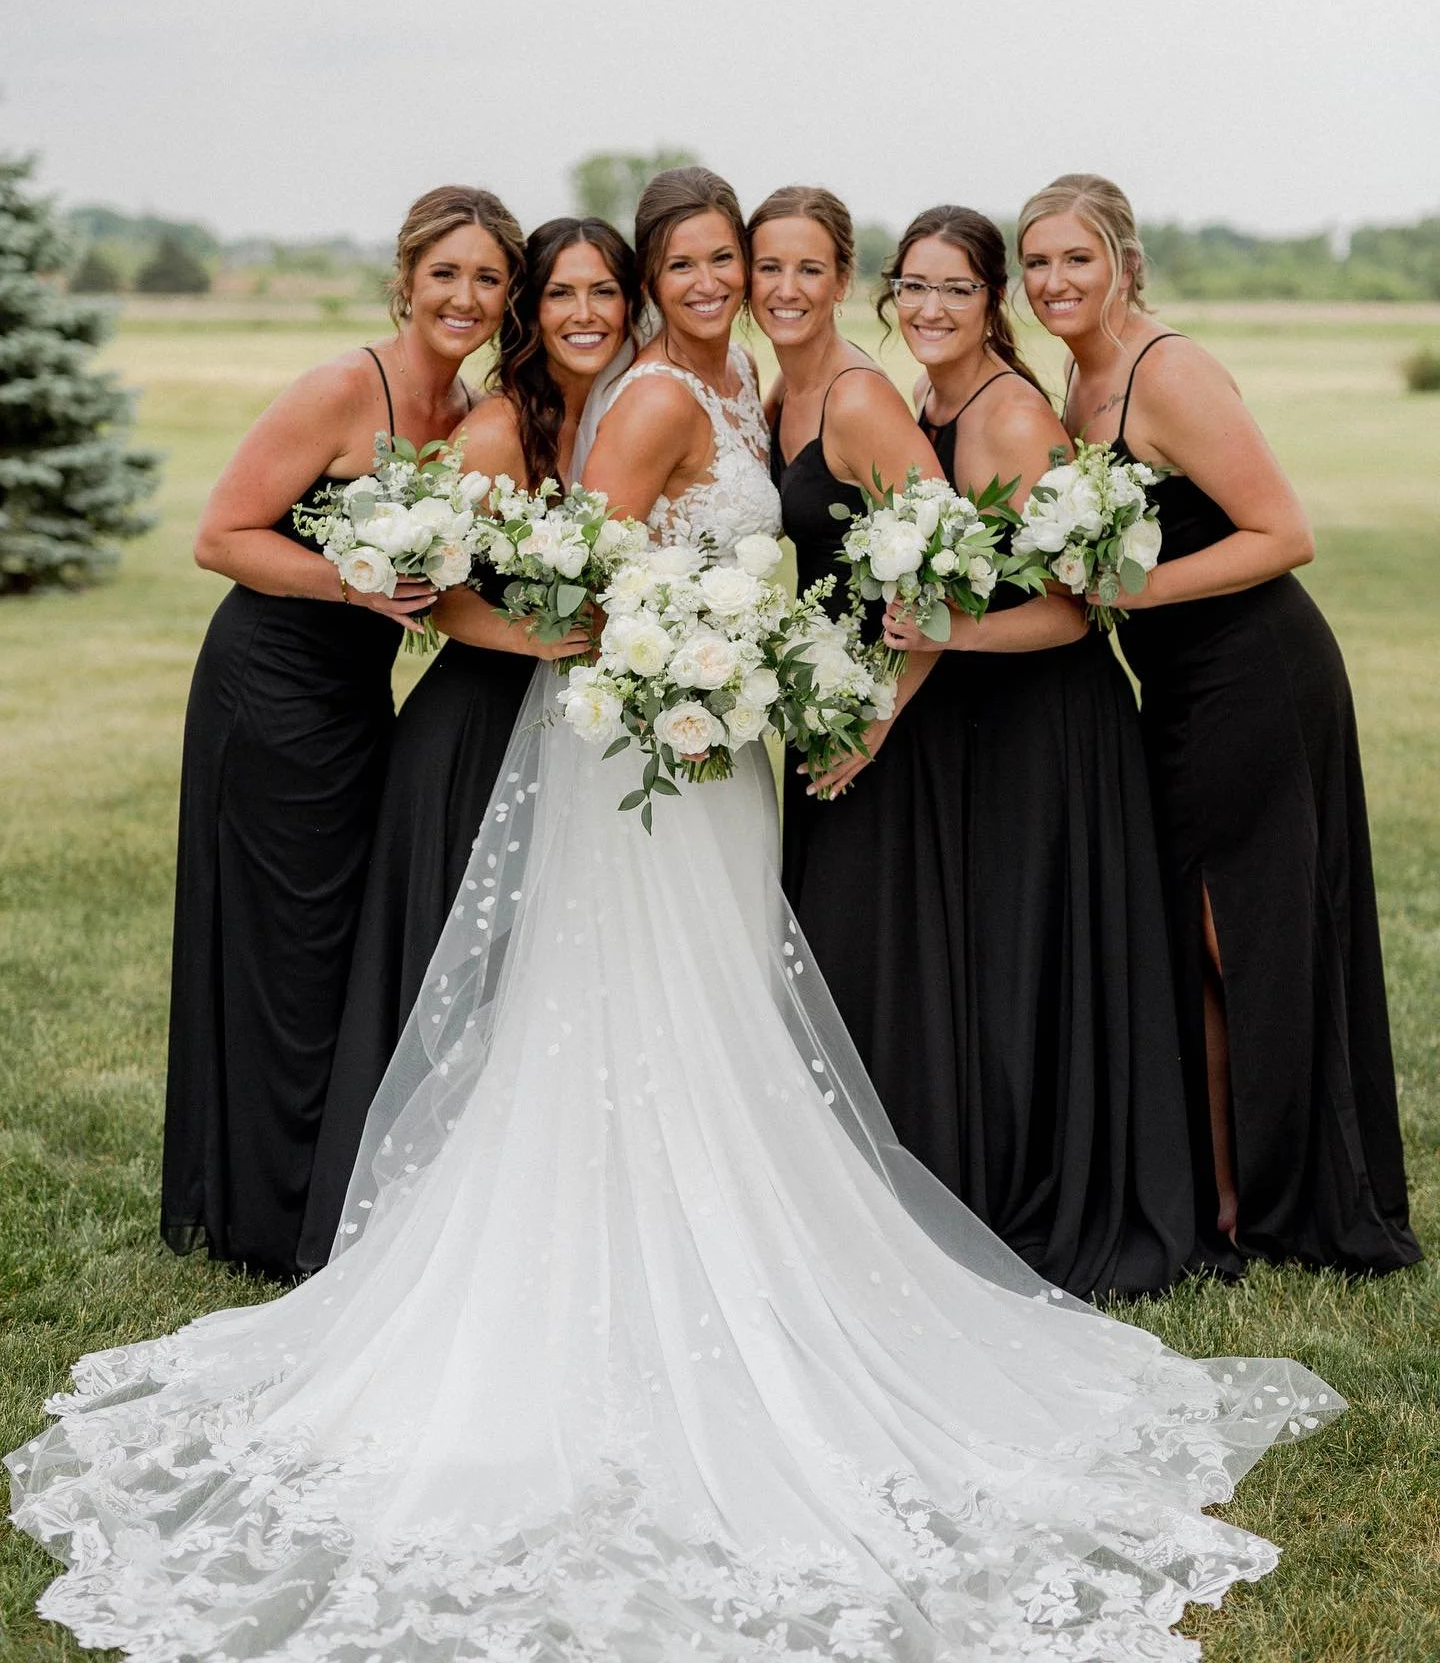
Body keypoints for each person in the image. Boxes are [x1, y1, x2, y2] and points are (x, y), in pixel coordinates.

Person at [7, 171, 1341, 1663]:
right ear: (661, 277)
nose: (730, 283)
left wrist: (762, 676)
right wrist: (658, 671)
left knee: (714, 1007)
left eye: (754, 261)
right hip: (661, 753)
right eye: (704, 262)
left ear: (820, 278)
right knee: (651, 1002)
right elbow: (564, 581)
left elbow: (845, 563)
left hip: (713, 755)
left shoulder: (757, 396)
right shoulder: (657, 400)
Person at [760, 191, 1196, 1296]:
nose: (932, 305)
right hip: (982, 722)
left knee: (1028, 965)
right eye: (915, 285)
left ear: (991, 301)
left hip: (1051, 724)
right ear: (892, 294)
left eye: (958, 287)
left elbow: (1071, 609)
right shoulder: (923, 395)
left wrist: (933, 652)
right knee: (988, 967)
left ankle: (1050, 1190)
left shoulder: (1005, 417)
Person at [1019, 171, 1420, 1276]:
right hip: (1175, 688)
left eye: (1076, 259)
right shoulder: (1078, 373)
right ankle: (1224, 1186)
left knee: (1246, 936)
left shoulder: (1168, 368)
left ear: (1124, 263)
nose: (1054, 280)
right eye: (1037, 262)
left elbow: (1282, 532)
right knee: (1193, 940)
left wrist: (1126, 594)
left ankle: (1301, 1196)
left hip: (1257, 673)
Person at [161, 185, 523, 1280]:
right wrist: (355, 584)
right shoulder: (340, 388)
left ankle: (315, 1181)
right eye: (446, 273)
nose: (464, 297)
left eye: (488, 279)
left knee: (333, 948)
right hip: (268, 689)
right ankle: (256, 1215)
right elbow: (220, 536)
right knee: (279, 944)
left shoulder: (466, 416)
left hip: (360, 702)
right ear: (407, 277)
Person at [294, 218, 642, 1271]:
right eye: (559, 295)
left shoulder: (621, 415)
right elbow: (426, 583)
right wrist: (533, 637)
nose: (582, 315)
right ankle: (403, 1227)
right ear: (531, 315)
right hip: (473, 731)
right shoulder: (497, 430)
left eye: (603, 293)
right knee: (452, 974)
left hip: (570, 730)